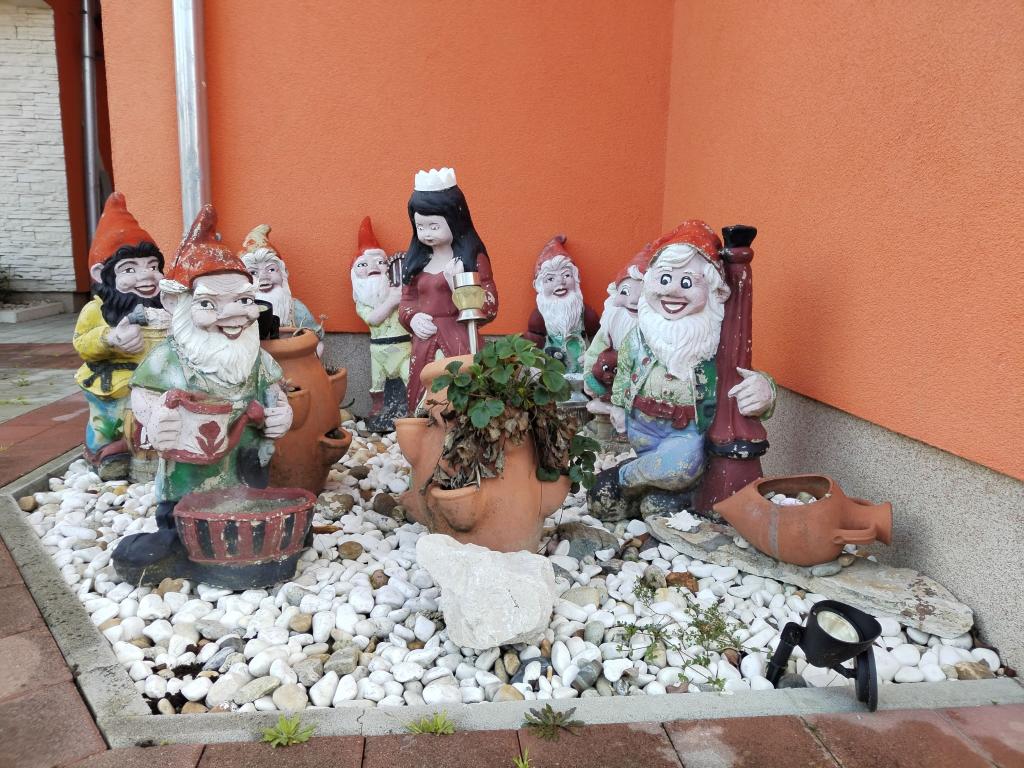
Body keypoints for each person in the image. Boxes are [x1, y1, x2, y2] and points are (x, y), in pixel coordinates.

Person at [112, 205, 293, 576]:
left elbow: (275, 393)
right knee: (182, 528)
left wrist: (282, 413)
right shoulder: (169, 360)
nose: (234, 315)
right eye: (210, 304)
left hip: (245, 465)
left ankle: (246, 544)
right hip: (187, 476)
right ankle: (184, 547)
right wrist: (155, 418)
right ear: (176, 303)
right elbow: (142, 396)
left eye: (244, 301)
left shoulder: (256, 358)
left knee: (252, 517)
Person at [588, 220, 776, 520]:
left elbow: (738, 372)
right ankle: (664, 492)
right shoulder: (640, 335)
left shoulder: (710, 341)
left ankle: (624, 477)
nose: (672, 291)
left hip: (684, 431)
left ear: (712, 290)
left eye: (687, 282)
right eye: (664, 279)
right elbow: (625, 369)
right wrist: (619, 406)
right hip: (641, 426)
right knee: (647, 496)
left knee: (681, 467)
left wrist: (765, 391)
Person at [72, 192, 169, 479]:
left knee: (150, 425)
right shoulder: (96, 310)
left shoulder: (165, 307)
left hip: (156, 384)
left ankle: (146, 454)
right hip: (114, 385)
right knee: (108, 423)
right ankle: (102, 452)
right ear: (101, 274)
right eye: (129, 269)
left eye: (153, 266)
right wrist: (109, 338)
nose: (147, 276)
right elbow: (81, 342)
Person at [398, 167, 497, 411]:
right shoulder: (417, 262)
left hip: (459, 338)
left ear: (454, 220)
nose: (427, 234)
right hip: (425, 343)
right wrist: (412, 318)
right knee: (425, 394)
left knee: (462, 392)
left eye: (434, 226)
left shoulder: (472, 259)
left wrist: (458, 286)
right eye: (421, 227)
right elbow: (406, 302)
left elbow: (490, 305)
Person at [351, 216, 411, 428]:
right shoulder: (363, 303)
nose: (372, 268)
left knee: (409, 376)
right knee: (377, 382)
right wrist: (392, 301)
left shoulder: (398, 291)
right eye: (363, 264)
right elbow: (374, 319)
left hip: (403, 348)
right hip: (378, 351)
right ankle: (378, 410)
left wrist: (402, 296)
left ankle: (413, 408)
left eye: (379, 262)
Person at [238, 224, 324, 355]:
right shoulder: (239, 311)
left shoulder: (295, 308)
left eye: (271, 270)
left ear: (284, 273)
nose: (263, 277)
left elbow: (316, 336)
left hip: (290, 361)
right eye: (253, 273)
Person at [523, 235, 599, 373]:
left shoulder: (586, 313)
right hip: (553, 368)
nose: (560, 282)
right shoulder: (540, 316)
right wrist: (536, 362)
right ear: (539, 285)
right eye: (550, 279)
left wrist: (593, 356)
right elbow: (534, 340)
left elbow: (598, 338)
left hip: (582, 368)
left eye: (566, 275)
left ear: (576, 279)